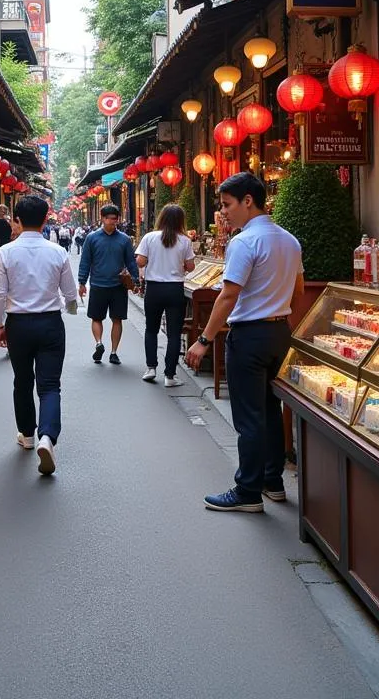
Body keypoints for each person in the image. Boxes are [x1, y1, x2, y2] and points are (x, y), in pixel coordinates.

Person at [185, 172, 303, 514]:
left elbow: (228, 295)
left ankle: (247, 489)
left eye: (227, 205)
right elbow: (297, 291)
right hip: (280, 332)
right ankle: (272, 480)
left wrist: (204, 340)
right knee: (269, 409)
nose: (223, 213)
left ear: (247, 201)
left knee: (250, 416)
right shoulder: (289, 240)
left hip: (249, 335)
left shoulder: (244, 242)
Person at [0, 194, 78, 476]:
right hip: (50, 323)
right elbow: (70, 294)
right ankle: (47, 437)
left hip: (18, 324)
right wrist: (70, 309)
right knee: (50, 385)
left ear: (16, 220)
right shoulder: (57, 252)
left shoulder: (5, 252)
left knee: (23, 380)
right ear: (44, 220)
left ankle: (27, 435)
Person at [137, 204, 196, 387]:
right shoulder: (185, 241)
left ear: (161, 218)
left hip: (154, 289)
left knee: (151, 329)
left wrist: (152, 260)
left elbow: (140, 260)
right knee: (173, 333)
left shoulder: (149, 237)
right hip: (174, 289)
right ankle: (170, 375)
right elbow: (191, 266)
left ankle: (151, 368)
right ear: (180, 221)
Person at [77, 203, 139, 366]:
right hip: (98, 284)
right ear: (102, 218)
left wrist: (136, 280)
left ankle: (114, 352)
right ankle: (99, 343)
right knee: (96, 318)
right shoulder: (91, 238)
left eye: (115, 219)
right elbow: (85, 261)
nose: (113, 222)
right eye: (110, 219)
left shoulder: (124, 240)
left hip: (118, 285)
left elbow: (131, 262)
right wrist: (82, 282)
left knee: (117, 319)